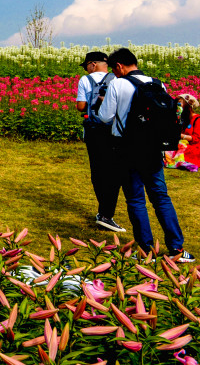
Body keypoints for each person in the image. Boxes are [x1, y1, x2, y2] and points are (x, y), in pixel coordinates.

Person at [97, 48, 192, 262]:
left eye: (114, 69)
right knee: (161, 197)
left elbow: (105, 118)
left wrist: (104, 102)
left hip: (126, 150)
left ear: (119, 66)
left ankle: (146, 250)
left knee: (136, 199)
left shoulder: (118, 84)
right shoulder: (158, 84)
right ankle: (177, 249)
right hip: (152, 149)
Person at [75, 51, 124, 232]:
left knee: (97, 169)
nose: (86, 69)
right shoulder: (116, 79)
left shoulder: (85, 80)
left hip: (94, 131)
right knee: (113, 170)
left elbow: (81, 106)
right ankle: (106, 212)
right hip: (113, 131)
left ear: (92, 64)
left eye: (87, 65)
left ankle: (103, 211)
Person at [166, 94, 200, 171]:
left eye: (180, 103)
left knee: (178, 147)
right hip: (182, 144)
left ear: (187, 106)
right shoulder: (181, 119)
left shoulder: (197, 119)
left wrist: (180, 136)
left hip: (194, 147)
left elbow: (196, 139)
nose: (178, 105)